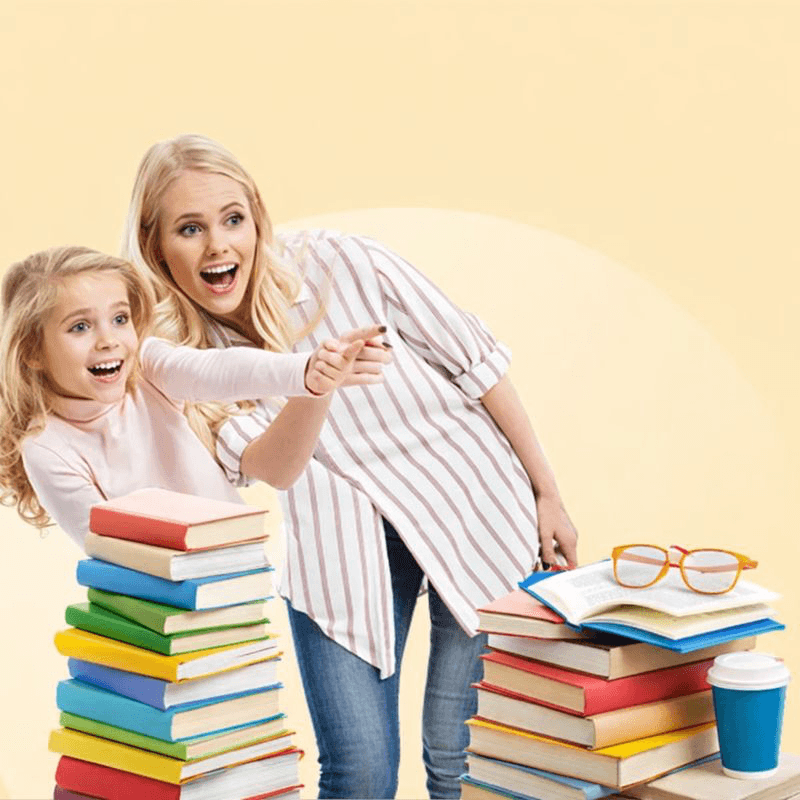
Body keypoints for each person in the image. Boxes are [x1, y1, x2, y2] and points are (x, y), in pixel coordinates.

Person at [122, 134, 579, 799]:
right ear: (156, 245)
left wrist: (549, 493)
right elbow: (270, 468)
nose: (219, 245)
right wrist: (315, 384)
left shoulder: (343, 261)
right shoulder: (176, 361)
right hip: (339, 546)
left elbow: (478, 364)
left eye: (232, 219)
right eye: (190, 229)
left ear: (257, 219)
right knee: (360, 774)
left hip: (476, 505)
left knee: (460, 763)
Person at [0, 245, 388, 548]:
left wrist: (305, 371)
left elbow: (218, 370)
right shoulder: (46, 446)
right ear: (33, 350)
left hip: (236, 579)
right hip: (157, 611)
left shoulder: (147, 369)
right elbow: (108, 546)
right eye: (80, 327)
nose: (109, 341)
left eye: (120, 319)